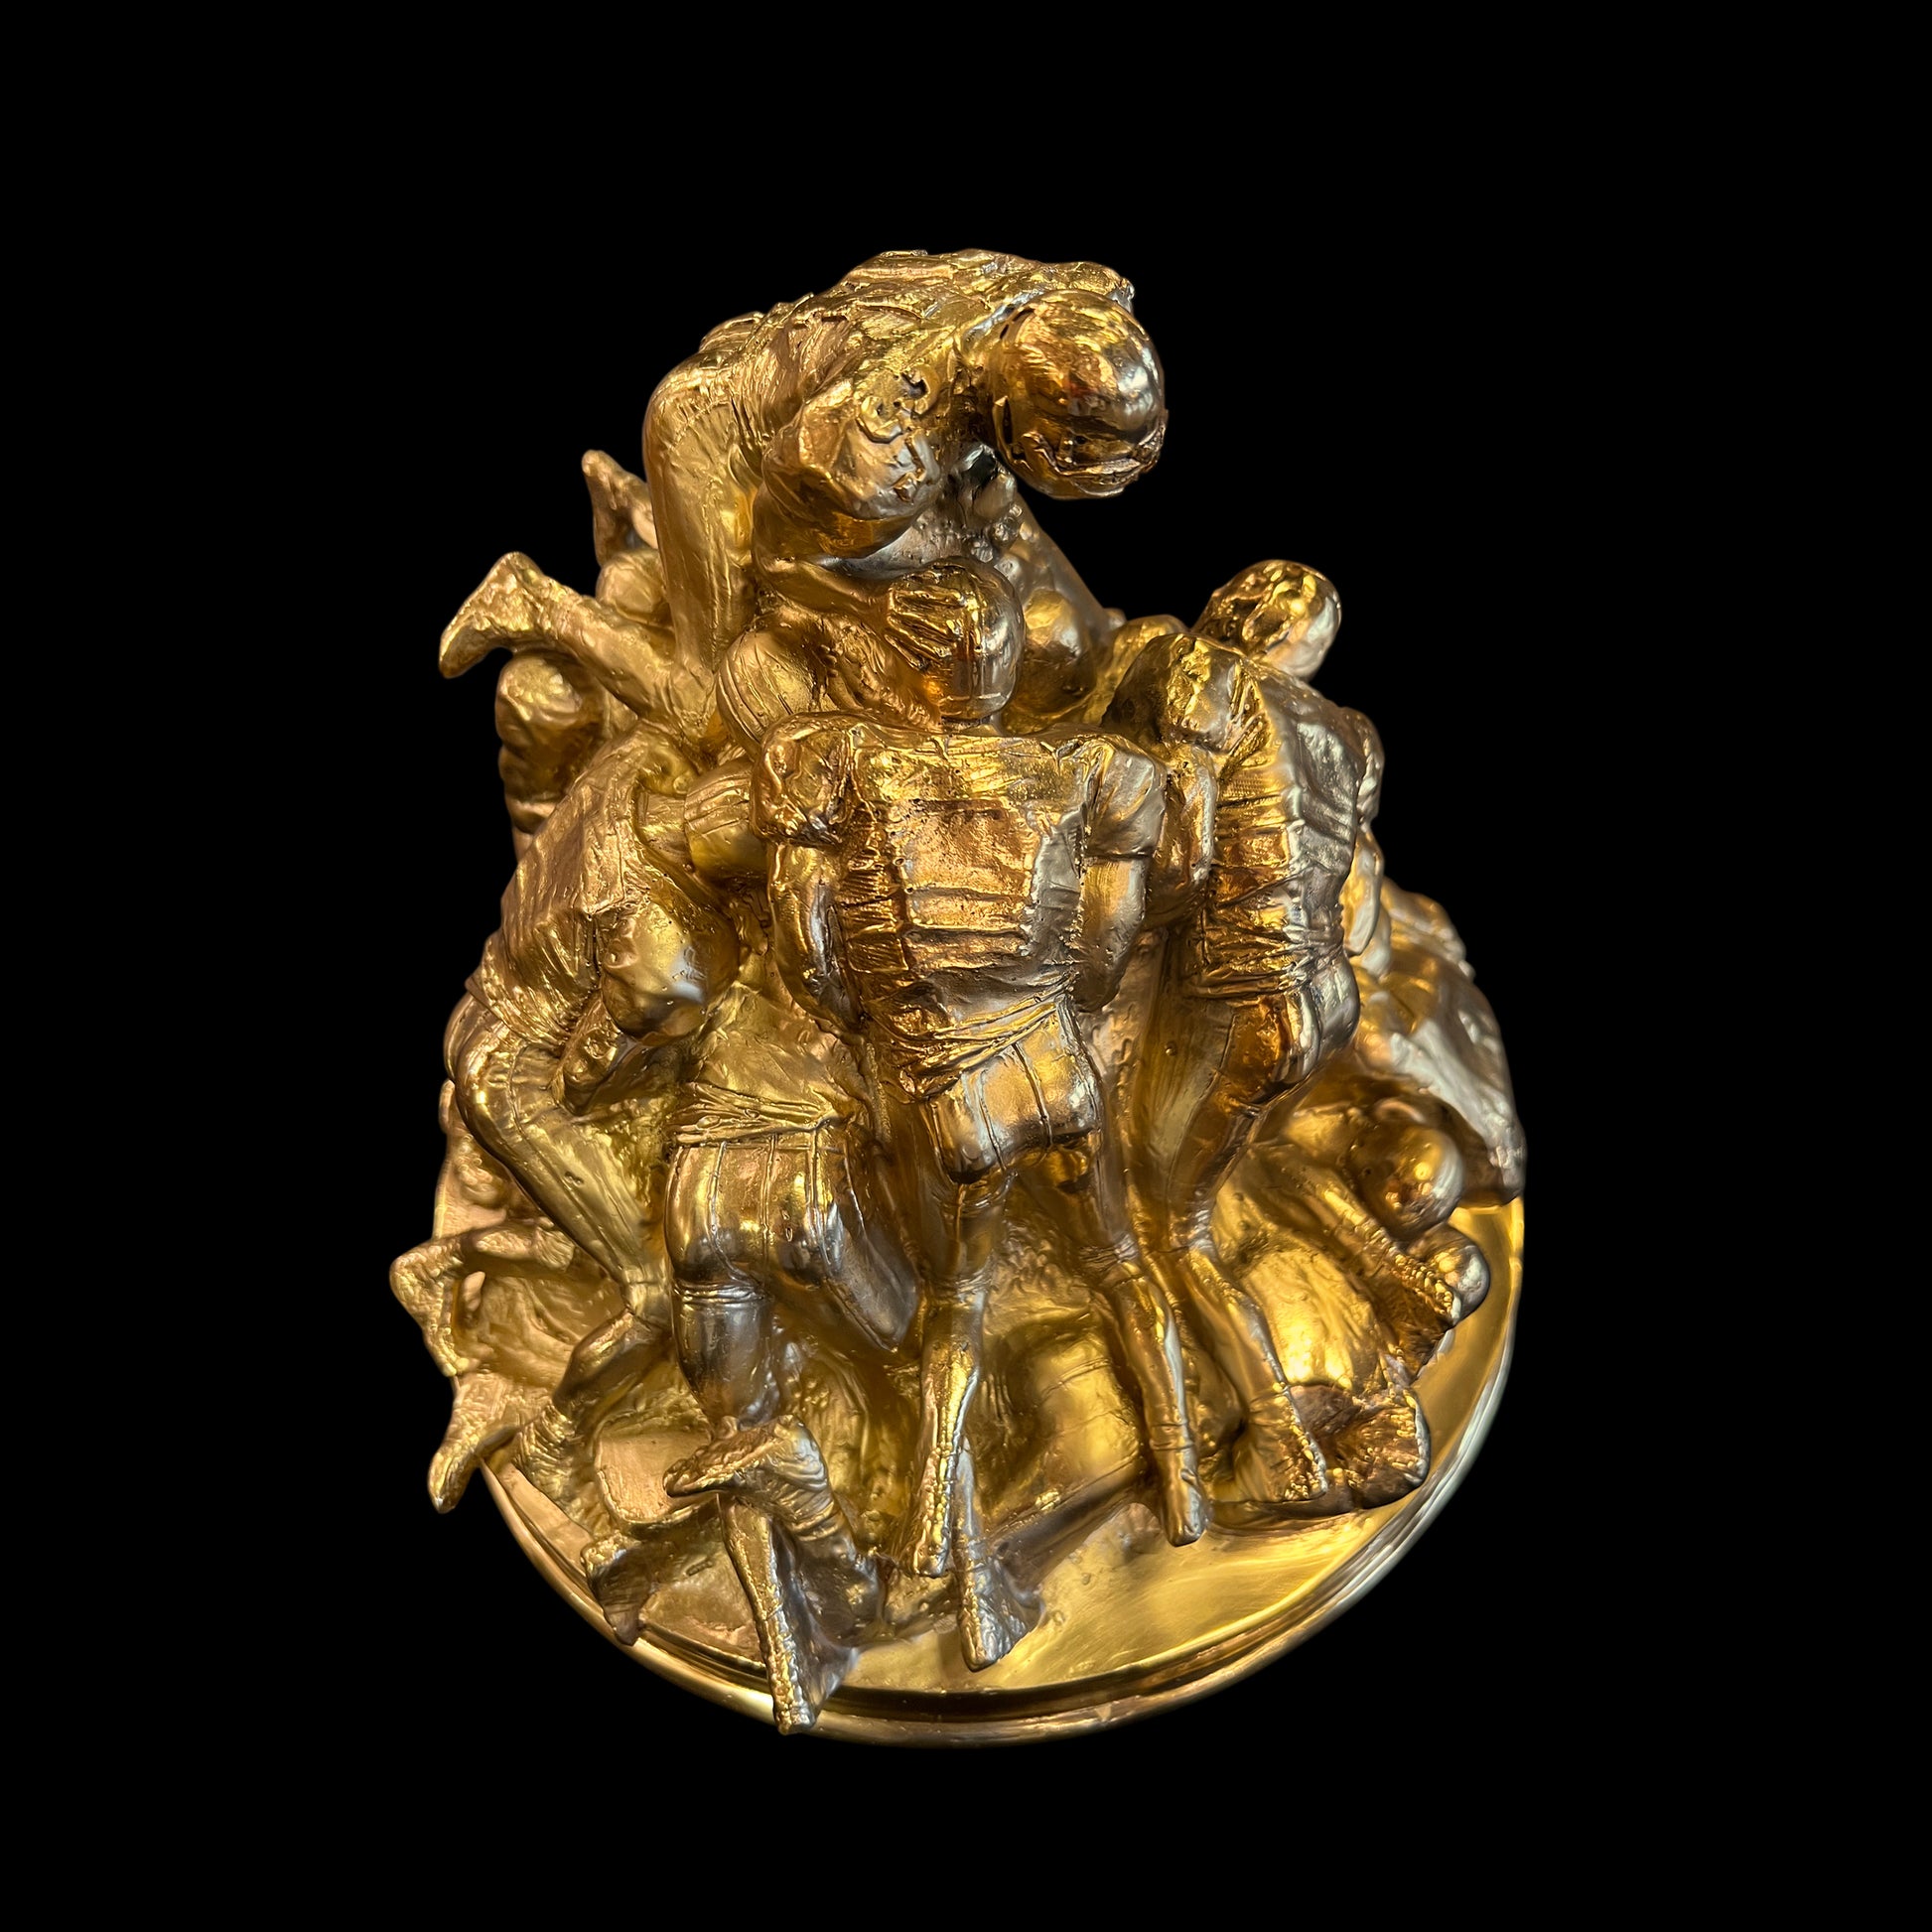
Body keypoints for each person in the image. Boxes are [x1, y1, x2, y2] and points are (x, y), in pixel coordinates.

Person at [754, 560, 1205, 1668]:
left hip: (948, 1090)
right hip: (1055, 1063)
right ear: (1008, 665)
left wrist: (873, 1019)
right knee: (1119, 1259)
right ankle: (1185, 1469)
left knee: (955, 1301)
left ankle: (925, 1507)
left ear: (905, 670)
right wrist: (1063, 999)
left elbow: (805, 940)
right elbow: (1109, 931)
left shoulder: (840, 762)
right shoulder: (1087, 770)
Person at [1106, 562, 1385, 1505]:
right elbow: (1358, 905)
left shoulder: (1205, 676)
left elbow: (1181, 861)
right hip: (1327, 998)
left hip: (1239, 994)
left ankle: (1276, 1435)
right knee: (1245, 1157)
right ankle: (1387, 1272)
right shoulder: (1347, 733)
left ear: (1240, 608)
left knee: (1167, 1227)